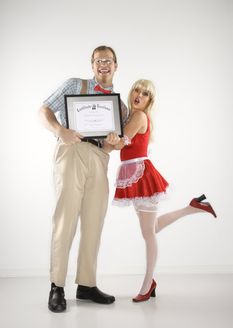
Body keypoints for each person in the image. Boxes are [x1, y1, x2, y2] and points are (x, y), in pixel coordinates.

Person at [108, 79, 216, 302]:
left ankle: (147, 284)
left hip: (141, 173)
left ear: (149, 101)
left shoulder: (138, 116)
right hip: (133, 173)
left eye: (145, 93)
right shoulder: (131, 116)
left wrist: (106, 136)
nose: (139, 95)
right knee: (152, 227)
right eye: (137, 90)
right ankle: (193, 206)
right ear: (132, 92)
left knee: (148, 233)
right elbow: (119, 142)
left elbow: (119, 144)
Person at [39, 45, 128, 312]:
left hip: (99, 158)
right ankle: (57, 286)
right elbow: (43, 110)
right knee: (65, 219)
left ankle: (87, 285)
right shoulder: (74, 85)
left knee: (93, 222)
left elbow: (114, 144)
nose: (104, 64)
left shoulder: (119, 106)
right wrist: (60, 130)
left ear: (116, 65)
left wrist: (115, 142)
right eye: (99, 60)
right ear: (92, 65)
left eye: (109, 60)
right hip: (71, 151)